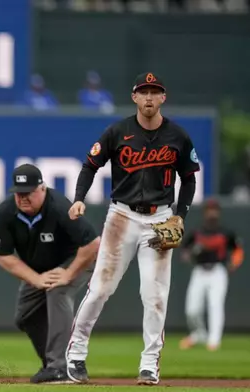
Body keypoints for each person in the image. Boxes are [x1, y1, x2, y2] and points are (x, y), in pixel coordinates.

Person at [66, 72, 200, 386]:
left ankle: (149, 365)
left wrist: (180, 216)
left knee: (154, 296)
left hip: (160, 219)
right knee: (100, 289)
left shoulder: (177, 136)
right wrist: (78, 198)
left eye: (155, 92)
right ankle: (75, 356)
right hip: (122, 217)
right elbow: (90, 165)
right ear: (135, 97)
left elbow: (190, 177)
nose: (150, 97)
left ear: (163, 97)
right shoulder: (118, 131)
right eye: (144, 92)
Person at [0, 164, 100, 384]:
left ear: (42, 188)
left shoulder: (59, 207)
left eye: (28, 192)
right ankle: (51, 365)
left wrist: (68, 274)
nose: (23, 198)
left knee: (57, 290)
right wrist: (35, 279)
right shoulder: (6, 212)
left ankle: (61, 367)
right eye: (19, 193)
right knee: (25, 316)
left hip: (77, 260)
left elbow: (93, 244)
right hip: (40, 269)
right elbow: (3, 255)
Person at [179, 198, 244, 352]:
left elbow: (237, 249)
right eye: (209, 210)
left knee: (215, 305)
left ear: (218, 213)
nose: (212, 213)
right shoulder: (197, 232)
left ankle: (214, 340)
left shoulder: (225, 232)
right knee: (192, 309)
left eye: (214, 210)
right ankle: (199, 333)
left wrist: (234, 263)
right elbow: (184, 251)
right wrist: (191, 253)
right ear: (205, 212)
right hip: (200, 271)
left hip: (217, 271)